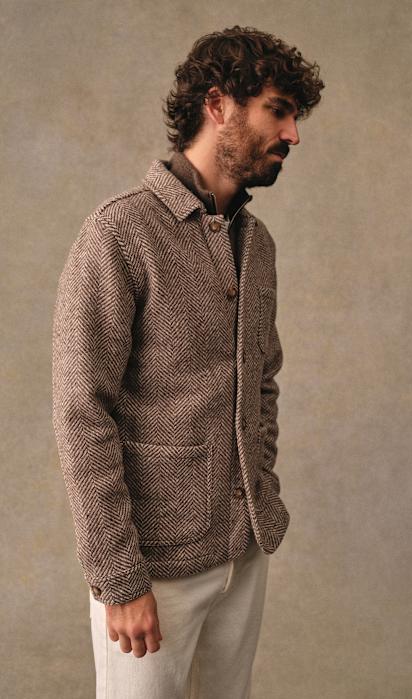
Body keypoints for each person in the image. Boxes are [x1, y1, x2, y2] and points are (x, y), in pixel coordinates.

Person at [52, 24, 324, 699]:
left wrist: (258, 485)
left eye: (294, 116)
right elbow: (81, 411)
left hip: (243, 552)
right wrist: (118, 576)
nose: (292, 134)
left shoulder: (256, 243)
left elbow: (261, 380)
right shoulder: (120, 232)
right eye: (278, 111)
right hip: (153, 569)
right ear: (218, 104)